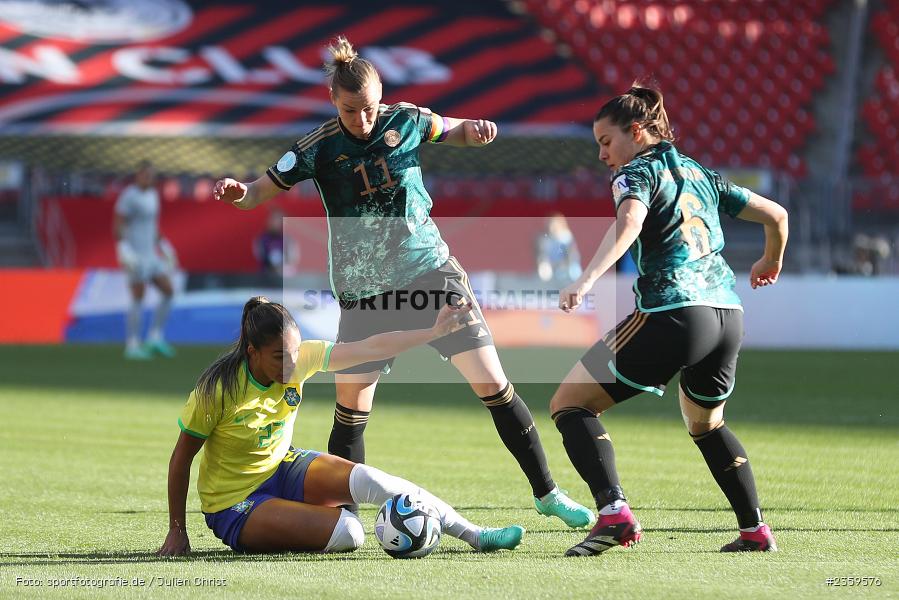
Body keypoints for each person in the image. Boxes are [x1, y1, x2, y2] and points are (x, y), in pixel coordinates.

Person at [212, 36, 594, 528]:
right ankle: (344, 518)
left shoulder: (407, 120)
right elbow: (258, 192)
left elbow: (453, 130)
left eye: (370, 108)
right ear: (333, 101)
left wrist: (475, 131)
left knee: (494, 384)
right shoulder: (318, 147)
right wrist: (239, 192)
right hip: (364, 292)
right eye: (350, 111)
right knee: (351, 410)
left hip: (430, 272)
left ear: (382, 97)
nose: (362, 120)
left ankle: (548, 492)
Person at [549, 85, 789, 556]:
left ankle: (614, 514)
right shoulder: (702, 173)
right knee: (707, 426)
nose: (602, 155)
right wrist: (771, 260)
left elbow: (630, 223)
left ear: (637, 131)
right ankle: (755, 530)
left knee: (569, 404)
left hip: (673, 311)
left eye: (606, 141)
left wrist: (587, 277)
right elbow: (776, 215)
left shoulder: (635, 173)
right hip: (727, 316)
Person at [158, 296, 525, 555]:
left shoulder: (300, 359)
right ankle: (283, 520)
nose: (291, 365)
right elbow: (180, 460)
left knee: (373, 480)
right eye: (279, 357)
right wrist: (177, 530)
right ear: (252, 352)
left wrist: (433, 331)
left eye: (295, 353)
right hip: (234, 503)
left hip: (282, 468)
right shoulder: (217, 391)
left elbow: (371, 348)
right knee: (350, 533)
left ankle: (476, 535)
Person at [113, 160, 177, 360]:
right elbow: (118, 223)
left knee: (168, 291)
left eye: (151, 175)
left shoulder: (153, 195)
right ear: (138, 175)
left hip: (151, 255)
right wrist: (123, 249)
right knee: (138, 297)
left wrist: (164, 245)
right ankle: (132, 345)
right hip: (135, 255)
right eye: (145, 174)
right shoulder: (129, 196)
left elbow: (152, 225)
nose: (148, 178)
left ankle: (155, 337)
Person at [536, 212, 582, 284]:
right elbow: (543, 255)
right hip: (553, 265)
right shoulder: (546, 239)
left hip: (567, 264)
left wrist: (565, 264)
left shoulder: (566, 237)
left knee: (573, 271)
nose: (551, 227)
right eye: (550, 224)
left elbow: (571, 254)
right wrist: (544, 264)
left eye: (553, 224)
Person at [254, 208, 298, 279]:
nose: (275, 223)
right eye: (273, 220)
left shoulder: (287, 239)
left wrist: (283, 267)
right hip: (267, 274)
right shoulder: (262, 240)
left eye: (278, 220)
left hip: (284, 274)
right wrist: (273, 268)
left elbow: (292, 258)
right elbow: (261, 257)